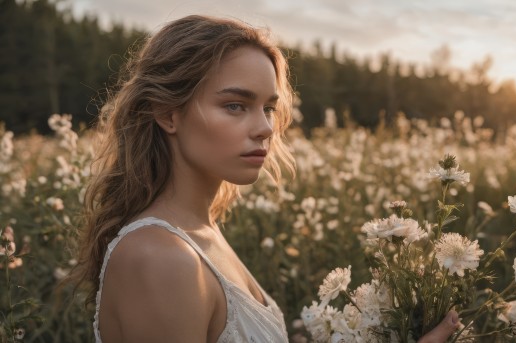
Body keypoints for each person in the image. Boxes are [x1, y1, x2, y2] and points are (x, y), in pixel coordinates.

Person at [71, 15, 459, 342]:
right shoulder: (160, 257)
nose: (264, 129)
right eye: (235, 105)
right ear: (167, 114)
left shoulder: (199, 234)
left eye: (268, 108)